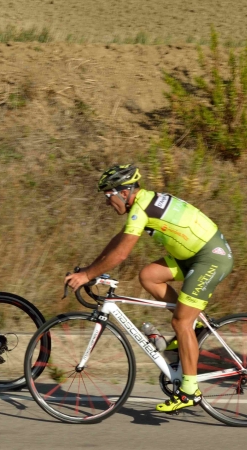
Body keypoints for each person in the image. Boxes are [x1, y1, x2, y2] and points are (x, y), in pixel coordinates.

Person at [65, 164, 233, 413]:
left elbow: (121, 254)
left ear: (123, 192)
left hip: (210, 257)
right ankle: (196, 324)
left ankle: (189, 390)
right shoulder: (142, 202)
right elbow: (119, 241)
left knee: (180, 323)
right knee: (149, 276)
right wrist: (89, 268)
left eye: (108, 195)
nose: (106, 202)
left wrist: (88, 275)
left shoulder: (141, 208)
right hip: (192, 256)